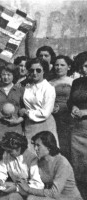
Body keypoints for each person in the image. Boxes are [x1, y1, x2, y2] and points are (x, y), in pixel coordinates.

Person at [18, 131, 83, 200]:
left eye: (38, 145)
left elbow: (54, 193)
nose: (35, 148)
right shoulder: (39, 161)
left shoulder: (62, 162)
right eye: (34, 145)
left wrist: (28, 189)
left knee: (31, 198)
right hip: (54, 198)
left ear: (48, 146)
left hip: (71, 198)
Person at [0, 132, 44, 200]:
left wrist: (17, 188)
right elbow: (0, 169)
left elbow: (38, 184)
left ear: (18, 148)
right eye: (6, 151)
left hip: (30, 192)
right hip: (16, 187)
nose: (7, 153)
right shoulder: (7, 154)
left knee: (12, 197)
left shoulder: (31, 159)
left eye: (10, 151)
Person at [22, 58, 59, 150]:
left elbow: (45, 112)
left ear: (44, 71)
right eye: (31, 70)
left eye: (38, 70)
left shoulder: (49, 88)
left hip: (45, 124)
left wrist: (27, 113)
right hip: (29, 125)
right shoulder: (27, 87)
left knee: (46, 152)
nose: (34, 73)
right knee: (30, 153)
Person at [0, 63, 24, 139]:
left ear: (14, 75)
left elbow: (25, 111)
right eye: (3, 74)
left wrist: (17, 121)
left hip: (16, 127)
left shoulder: (20, 90)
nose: (6, 77)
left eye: (9, 75)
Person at [67, 51, 87, 183]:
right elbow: (70, 101)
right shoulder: (77, 82)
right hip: (78, 128)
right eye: (83, 66)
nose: (85, 69)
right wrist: (73, 107)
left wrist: (85, 113)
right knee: (78, 163)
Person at [50, 55, 74, 160]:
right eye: (56, 65)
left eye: (62, 65)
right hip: (54, 116)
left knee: (67, 144)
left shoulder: (73, 81)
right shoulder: (50, 82)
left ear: (68, 67)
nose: (59, 67)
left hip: (69, 116)